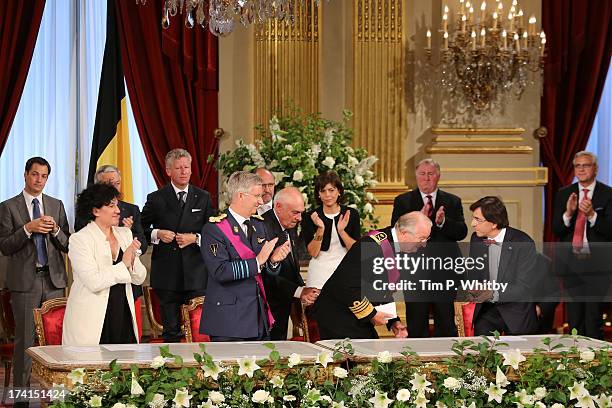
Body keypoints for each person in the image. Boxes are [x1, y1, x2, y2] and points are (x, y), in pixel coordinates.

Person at [0, 157, 69, 394]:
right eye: (35, 174)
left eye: (44, 176)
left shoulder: (56, 204)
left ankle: (55, 396)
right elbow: (5, 246)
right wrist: (27, 229)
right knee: (25, 344)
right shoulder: (8, 207)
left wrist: (57, 230)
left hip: (54, 282)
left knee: (55, 341)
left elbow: (68, 244)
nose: (39, 180)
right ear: (25, 174)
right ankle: (21, 398)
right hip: (25, 285)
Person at [199, 171, 290, 341]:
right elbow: (220, 271)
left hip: (258, 317)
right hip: (229, 321)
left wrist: (272, 262)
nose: (261, 201)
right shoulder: (213, 229)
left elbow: (262, 272)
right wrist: (258, 261)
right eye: (256, 195)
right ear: (241, 195)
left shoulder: (259, 225)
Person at [314, 211, 432, 339]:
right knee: (369, 356)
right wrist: (372, 314)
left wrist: (393, 321)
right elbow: (345, 287)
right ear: (404, 233)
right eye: (421, 239)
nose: (424, 244)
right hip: (337, 315)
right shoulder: (371, 246)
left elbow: (382, 289)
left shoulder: (396, 247)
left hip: (356, 314)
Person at [141, 148, 215, 342]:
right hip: (168, 274)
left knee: (201, 330)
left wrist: (195, 238)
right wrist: (157, 233)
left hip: (196, 273)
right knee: (171, 332)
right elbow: (139, 229)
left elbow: (214, 232)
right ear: (168, 171)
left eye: (187, 167)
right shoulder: (156, 198)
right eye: (178, 167)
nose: (184, 171)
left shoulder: (203, 197)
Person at [391, 158, 467, 337]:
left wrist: (442, 222)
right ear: (416, 176)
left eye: (430, 174)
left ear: (438, 176)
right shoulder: (403, 201)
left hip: (444, 271)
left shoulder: (452, 201)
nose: (426, 178)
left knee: (446, 323)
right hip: (415, 271)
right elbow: (396, 231)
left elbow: (461, 232)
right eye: (422, 174)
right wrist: (418, 217)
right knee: (416, 323)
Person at [62, 184, 146, 345]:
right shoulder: (80, 240)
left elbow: (139, 277)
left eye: (117, 205)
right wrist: (124, 263)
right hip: (92, 318)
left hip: (123, 313)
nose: (118, 211)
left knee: (126, 366)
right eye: (111, 206)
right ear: (95, 211)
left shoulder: (125, 233)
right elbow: (94, 281)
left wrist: (133, 262)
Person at [552, 151, 612, 339]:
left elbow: (610, 230)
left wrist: (592, 215)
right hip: (572, 263)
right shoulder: (564, 194)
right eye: (578, 166)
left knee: (593, 317)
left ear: (595, 169)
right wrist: (568, 214)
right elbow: (557, 229)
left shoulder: (608, 194)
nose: (581, 169)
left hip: (597, 264)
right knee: (575, 317)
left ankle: (595, 362)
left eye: (586, 165)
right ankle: (575, 358)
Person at [468, 196, 538, 336]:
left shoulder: (523, 243)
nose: (472, 224)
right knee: (481, 352)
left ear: (493, 223)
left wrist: (493, 293)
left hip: (515, 311)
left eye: (478, 219)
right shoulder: (476, 239)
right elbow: (474, 274)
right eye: (473, 218)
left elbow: (524, 287)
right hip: (487, 311)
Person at [261, 187, 319, 340]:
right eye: (295, 212)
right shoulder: (262, 227)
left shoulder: (288, 223)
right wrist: (299, 291)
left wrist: (303, 289)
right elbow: (266, 274)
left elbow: (292, 267)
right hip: (266, 307)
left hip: (284, 303)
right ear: (278, 207)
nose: (300, 218)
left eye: (301, 212)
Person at [301, 171, 361, 289]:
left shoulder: (351, 214)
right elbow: (313, 252)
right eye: (323, 191)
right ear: (318, 194)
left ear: (339, 191)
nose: (327, 195)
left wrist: (342, 231)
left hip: (346, 269)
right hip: (319, 272)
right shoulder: (310, 217)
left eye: (331, 190)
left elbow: (356, 250)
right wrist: (320, 229)